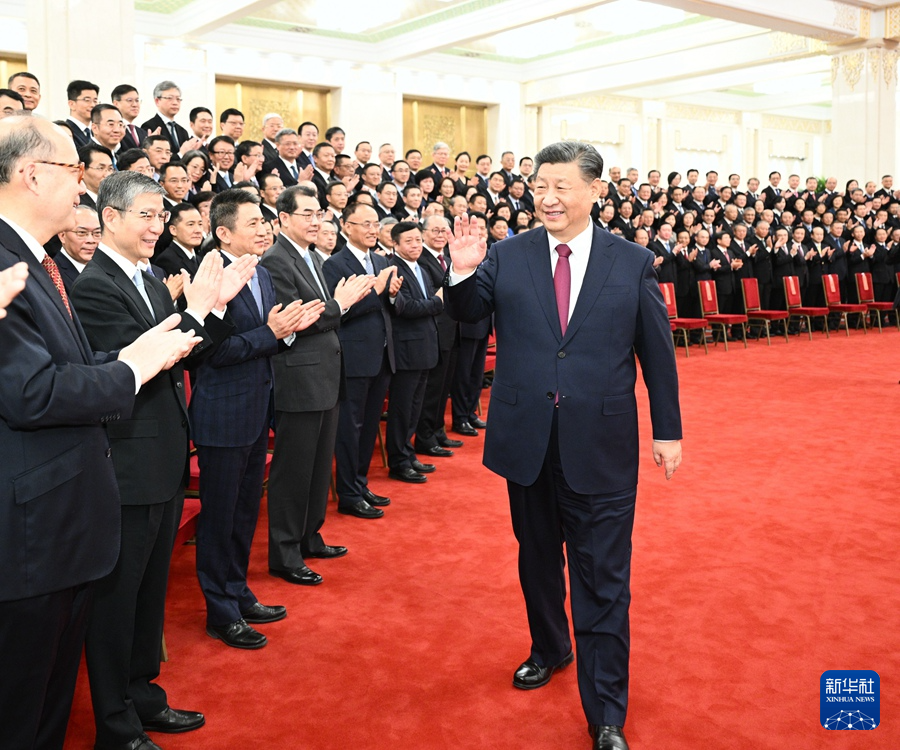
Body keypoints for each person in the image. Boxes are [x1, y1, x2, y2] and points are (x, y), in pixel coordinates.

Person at [444, 141, 682, 750]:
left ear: (596, 190)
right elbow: (467, 312)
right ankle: (550, 646)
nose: (548, 198)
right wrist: (463, 271)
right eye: (540, 187)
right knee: (538, 558)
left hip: (601, 444)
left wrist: (667, 430)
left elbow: (657, 355)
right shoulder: (507, 254)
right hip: (526, 441)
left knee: (603, 579)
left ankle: (606, 713)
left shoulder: (632, 262)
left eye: (561, 187)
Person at [0, 115, 201, 750]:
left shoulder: (35, 260)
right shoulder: (8, 262)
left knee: (47, 703)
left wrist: (131, 356)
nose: (83, 185)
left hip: (62, 508)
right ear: (32, 175)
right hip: (33, 520)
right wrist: (131, 369)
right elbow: (31, 392)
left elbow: (70, 366)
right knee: (22, 706)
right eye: (73, 170)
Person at [70, 170, 253, 750]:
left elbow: (186, 352)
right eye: (145, 215)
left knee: (149, 598)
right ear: (110, 218)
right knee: (117, 603)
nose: (157, 226)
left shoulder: (146, 278)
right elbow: (142, 363)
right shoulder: (95, 286)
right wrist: (199, 307)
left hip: (164, 458)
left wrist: (211, 309)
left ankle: (143, 696)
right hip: (128, 464)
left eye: (161, 215)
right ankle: (115, 724)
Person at [192, 189, 324, 648]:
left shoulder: (263, 273)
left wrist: (286, 333)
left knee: (245, 512)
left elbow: (269, 338)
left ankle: (238, 591)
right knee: (220, 518)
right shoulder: (208, 276)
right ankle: (220, 611)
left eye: (264, 221)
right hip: (222, 414)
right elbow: (213, 352)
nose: (264, 229)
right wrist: (272, 333)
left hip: (255, 409)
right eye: (252, 223)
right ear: (223, 232)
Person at [261, 186, 373, 580]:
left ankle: (310, 536)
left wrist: (336, 306)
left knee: (318, 466)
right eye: (306, 214)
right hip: (299, 379)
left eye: (318, 214)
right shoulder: (276, 260)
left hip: (324, 375)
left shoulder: (309, 256)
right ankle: (285, 552)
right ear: (283, 218)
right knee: (294, 471)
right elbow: (296, 318)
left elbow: (321, 313)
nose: (315, 221)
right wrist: (340, 305)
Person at [322, 202, 402, 518]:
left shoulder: (381, 260)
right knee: (350, 428)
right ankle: (348, 493)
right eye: (365, 224)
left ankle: (360, 482)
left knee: (369, 426)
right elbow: (338, 312)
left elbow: (388, 307)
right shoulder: (334, 265)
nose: (372, 229)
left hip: (382, 354)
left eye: (375, 224)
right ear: (346, 226)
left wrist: (391, 294)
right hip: (354, 357)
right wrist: (376, 290)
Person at [385, 221, 442, 483]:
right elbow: (406, 307)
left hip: (425, 346)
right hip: (406, 349)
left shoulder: (421, 268)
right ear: (395, 244)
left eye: (418, 240)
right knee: (402, 408)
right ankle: (398, 461)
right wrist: (436, 302)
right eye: (409, 241)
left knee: (415, 406)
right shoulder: (393, 269)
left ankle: (408, 454)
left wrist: (432, 303)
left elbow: (425, 303)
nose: (416, 245)